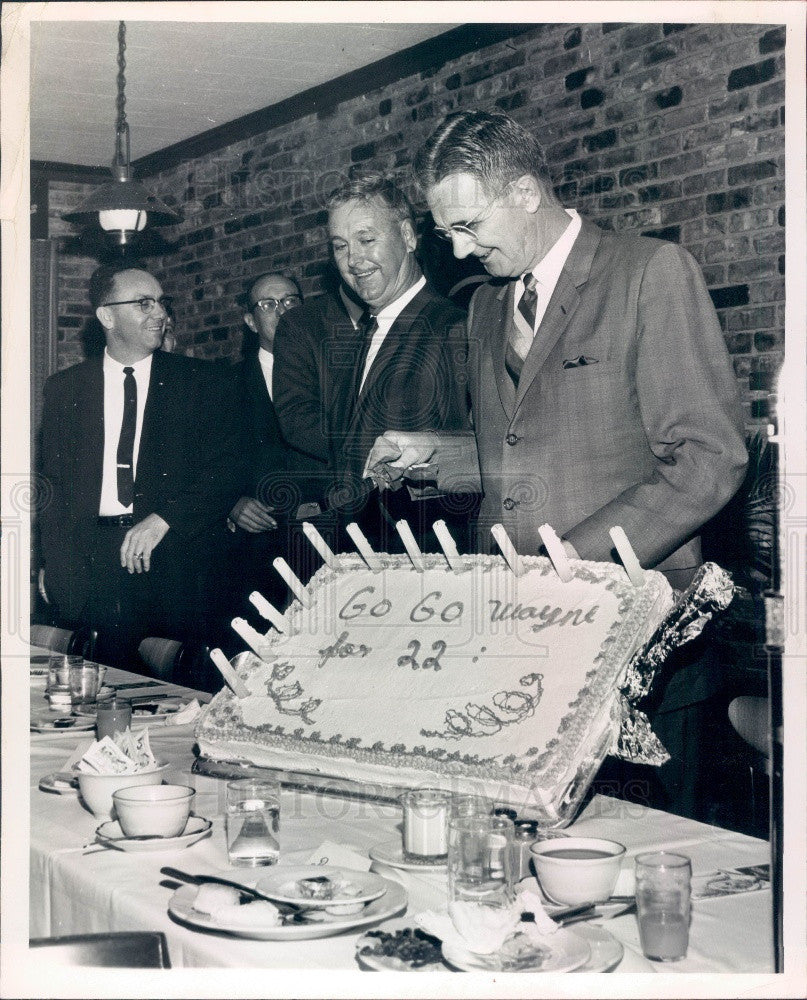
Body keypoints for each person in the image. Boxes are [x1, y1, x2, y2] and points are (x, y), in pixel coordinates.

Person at [366, 110, 749, 819]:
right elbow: (513, 451)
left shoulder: (647, 273)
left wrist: (569, 561)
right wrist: (435, 457)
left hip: (635, 635)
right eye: (444, 232)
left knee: (642, 857)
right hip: (512, 637)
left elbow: (707, 456)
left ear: (522, 191)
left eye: (467, 225)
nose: (455, 249)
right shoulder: (484, 308)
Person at [38, 265, 241, 670]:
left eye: (162, 302)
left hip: (175, 562)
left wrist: (163, 519)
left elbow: (229, 469)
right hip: (92, 568)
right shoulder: (65, 389)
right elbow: (52, 489)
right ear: (106, 317)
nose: (159, 313)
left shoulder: (204, 382)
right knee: (97, 691)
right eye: (143, 303)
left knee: (174, 698)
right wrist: (55, 566)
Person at [274, 171, 475, 556]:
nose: (353, 260)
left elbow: (476, 453)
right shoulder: (363, 333)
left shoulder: (452, 327)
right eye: (340, 246)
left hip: (427, 555)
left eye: (367, 239)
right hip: (362, 553)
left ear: (408, 236)